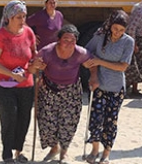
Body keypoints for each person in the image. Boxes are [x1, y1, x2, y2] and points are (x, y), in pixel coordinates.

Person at [0, 0, 42, 164]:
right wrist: (12, 74)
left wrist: (35, 64)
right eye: (18, 17)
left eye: (24, 16)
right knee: (9, 117)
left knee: (24, 118)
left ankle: (19, 151)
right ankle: (7, 154)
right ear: (9, 18)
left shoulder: (28, 32)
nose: (22, 20)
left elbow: (33, 53)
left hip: (25, 82)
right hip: (4, 84)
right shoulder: (0, 36)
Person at [36, 25, 97, 163]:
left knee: (68, 122)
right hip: (49, 89)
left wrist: (94, 77)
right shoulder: (47, 51)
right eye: (66, 40)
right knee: (47, 124)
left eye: (73, 40)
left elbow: (92, 64)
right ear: (58, 39)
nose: (69, 43)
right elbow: (35, 64)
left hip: (71, 90)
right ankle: (54, 148)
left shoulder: (80, 52)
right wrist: (37, 72)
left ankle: (64, 152)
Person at [83, 11, 135, 164]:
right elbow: (88, 54)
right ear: (110, 25)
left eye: (121, 30)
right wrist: (93, 73)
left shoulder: (128, 42)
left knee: (110, 122)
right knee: (95, 120)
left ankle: (106, 154)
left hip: (116, 88)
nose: (117, 33)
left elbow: (123, 67)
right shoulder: (100, 36)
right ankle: (94, 150)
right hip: (99, 85)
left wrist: (100, 62)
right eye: (115, 28)